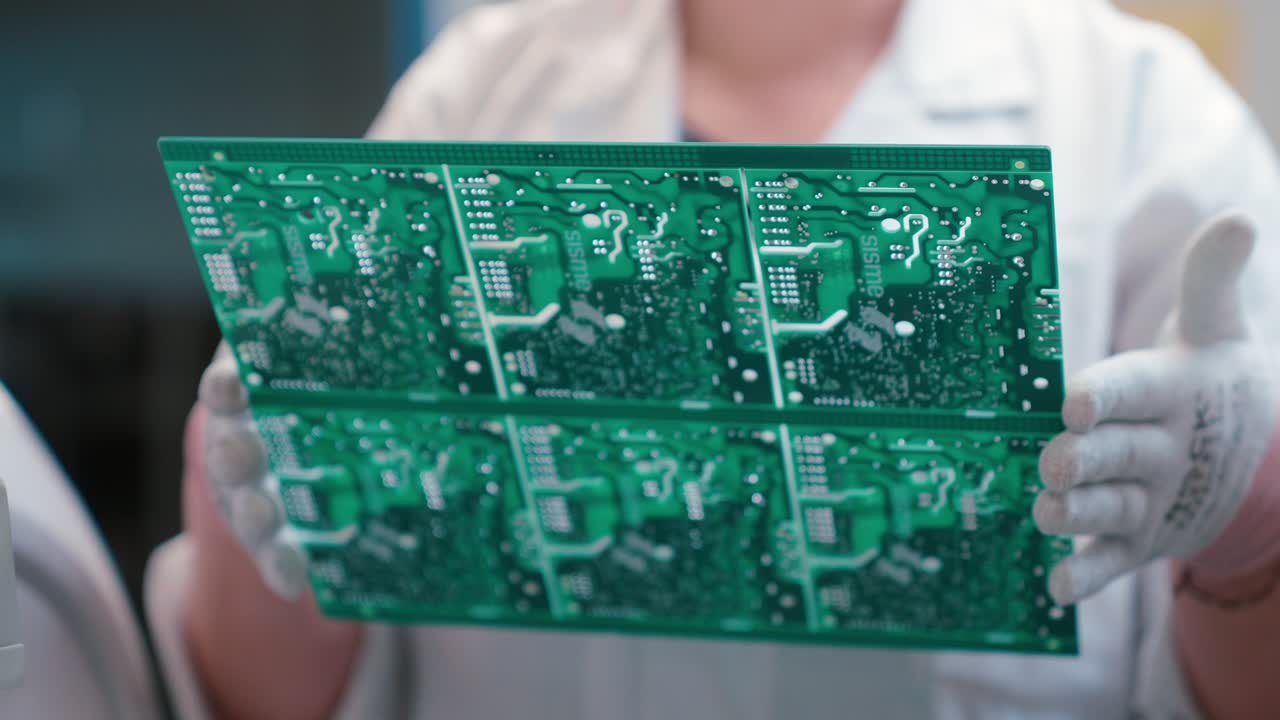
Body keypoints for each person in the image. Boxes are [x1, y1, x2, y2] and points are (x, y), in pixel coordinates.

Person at [144, 0, 1280, 717]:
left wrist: (1250, 520)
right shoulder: (475, 92)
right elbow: (272, 696)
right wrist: (254, 509)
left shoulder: (1143, 117)